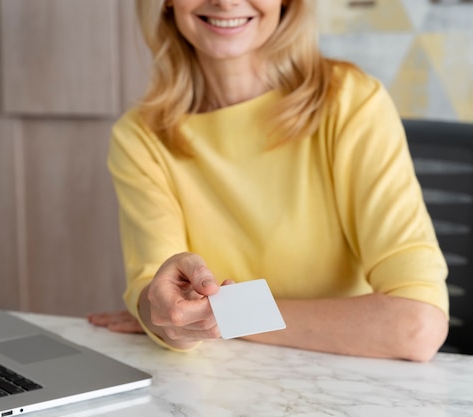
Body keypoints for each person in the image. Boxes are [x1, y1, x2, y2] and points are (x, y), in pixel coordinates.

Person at [87, 0, 449, 362]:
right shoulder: (140, 137)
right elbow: (162, 307)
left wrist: (225, 316)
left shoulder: (352, 103)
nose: (225, 2)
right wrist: (163, 316)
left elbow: (416, 325)